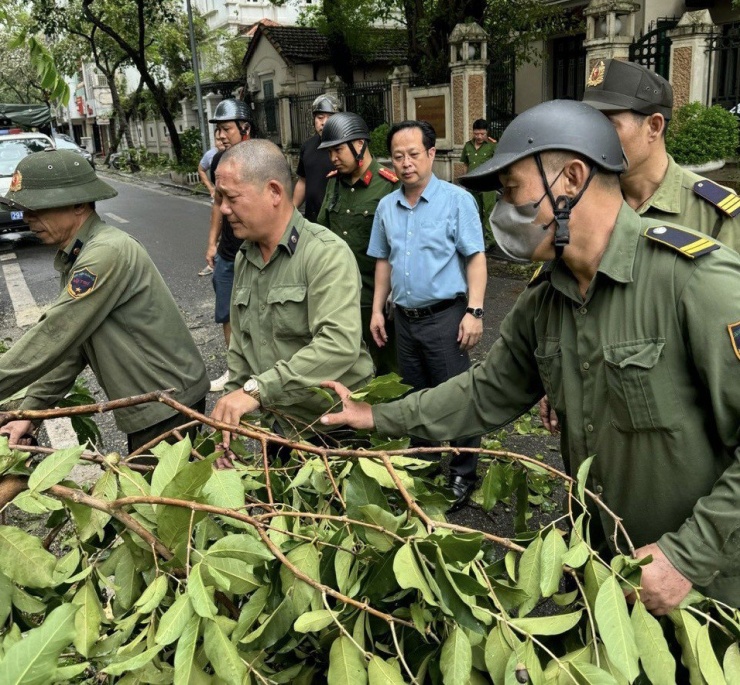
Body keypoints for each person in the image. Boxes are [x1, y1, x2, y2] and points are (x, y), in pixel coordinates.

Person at [322, 100, 740, 614]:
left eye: (512, 190)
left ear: (571, 178)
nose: (503, 213)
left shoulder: (695, 281)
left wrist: (686, 557)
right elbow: (484, 392)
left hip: (707, 592)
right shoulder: (545, 301)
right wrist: (377, 416)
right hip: (608, 572)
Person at [539, 58, 740, 434]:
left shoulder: (716, 215)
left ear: (654, 126)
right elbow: (561, 300)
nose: (590, 140)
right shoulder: (580, 202)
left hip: (685, 431)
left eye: (608, 126)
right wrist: (556, 378)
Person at [0, 150, 209, 452]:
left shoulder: (104, 253)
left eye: (38, 208)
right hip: (156, 400)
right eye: (24, 210)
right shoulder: (80, 254)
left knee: (153, 499)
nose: (28, 218)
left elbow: (53, 335)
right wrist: (30, 413)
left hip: (167, 403)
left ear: (78, 203)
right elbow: (72, 347)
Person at [209, 139, 373, 454]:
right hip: (281, 425)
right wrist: (224, 430)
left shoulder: (325, 254)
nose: (224, 209)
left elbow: (338, 344)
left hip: (335, 427)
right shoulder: (246, 257)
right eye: (219, 198)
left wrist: (257, 391)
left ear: (274, 192)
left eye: (231, 198)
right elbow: (241, 351)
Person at [366, 120, 487, 510]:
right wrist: (377, 310)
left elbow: (476, 258)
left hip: (446, 318)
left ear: (431, 154)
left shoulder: (456, 200)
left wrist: (475, 310)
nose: (405, 163)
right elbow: (383, 260)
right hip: (404, 319)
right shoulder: (387, 206)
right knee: (415, 397)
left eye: (414, 154)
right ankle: (426, 463)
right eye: (398, 156)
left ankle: (464, 473)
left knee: (456, 397)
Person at [316, 111, 401, 375]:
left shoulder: (388, 186)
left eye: (338, 150)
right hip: (340, 295)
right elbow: (322, 233)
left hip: (376, 297)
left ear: (360, 144)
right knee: (348, 367)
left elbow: (400, 247)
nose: (333, 158)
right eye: (329, 152)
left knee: (388, 369)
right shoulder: (335, 184)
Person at [204, 99, 253, 392]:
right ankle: (235, 370)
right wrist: (211, 243)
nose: (221, 136)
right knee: (226, 311)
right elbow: (218, 203)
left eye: (226, 129)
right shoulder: (218, 163)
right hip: (227, 253)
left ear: (244, 128)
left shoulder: (259, 159)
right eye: (218, 131)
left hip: (257, 252)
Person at [293, 95, 339, 222]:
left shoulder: (346, 148)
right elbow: (303, 181)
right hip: (312, 220)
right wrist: (291, 211)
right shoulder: (307, 147)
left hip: (336, 220)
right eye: (320, 117)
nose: (324, 122)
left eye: (330, 117)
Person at [460, 118, 497, 250]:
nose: (479, 137)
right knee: (473, 212)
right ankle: (476, 238)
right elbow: (465, 164)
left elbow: (499, 163)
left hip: (487, 184)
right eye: (476, 134)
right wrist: (464, 182)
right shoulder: (468, 145)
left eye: (482, 134)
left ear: (487, 133)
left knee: (488, 212)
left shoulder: (493, 146)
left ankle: (490, 240)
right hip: (472, 185)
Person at [197, 130, 225, 277]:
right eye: (217, 139)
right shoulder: (211, 155)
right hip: (218, 198)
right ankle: (214, 262)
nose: (220, 142)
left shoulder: (237, 154)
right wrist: (210, 187)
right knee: (217, 225)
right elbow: (201, 169)